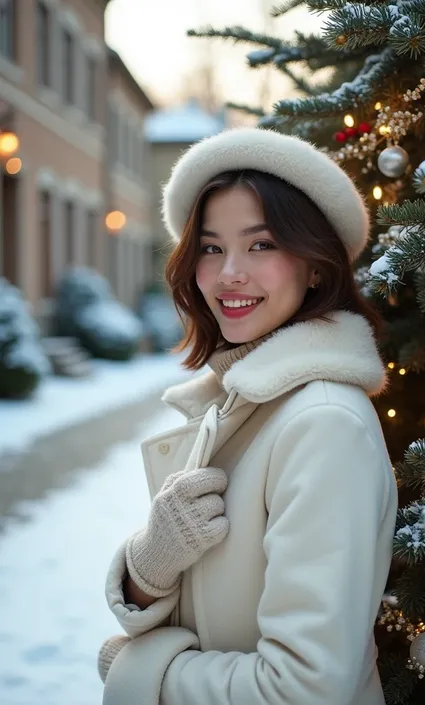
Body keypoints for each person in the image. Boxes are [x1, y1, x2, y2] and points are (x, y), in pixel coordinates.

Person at [98, 127, 398, 705]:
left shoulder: (323, 423)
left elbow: (307, 690)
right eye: (211, 247)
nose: (229, 272)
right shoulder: (239, 405)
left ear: (316, 266)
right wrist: (149, 565)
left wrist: (144, 675)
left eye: (261, 244)